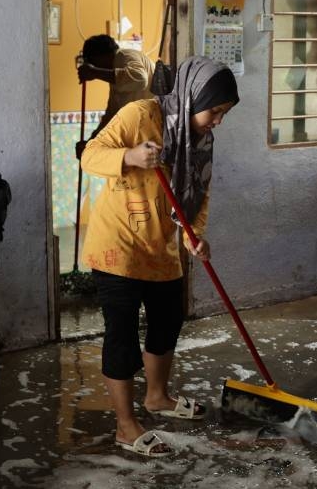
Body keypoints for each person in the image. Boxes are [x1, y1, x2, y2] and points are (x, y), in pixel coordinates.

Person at [80, 56, 239, 457]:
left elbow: (199, 195)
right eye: (215, 110)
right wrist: (129, 157)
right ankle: (125, 425)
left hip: (162, 246)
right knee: (122, 334)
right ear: (193, 96)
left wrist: (194, 237)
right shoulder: (140, 115)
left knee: (168, 321)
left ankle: (157, 398)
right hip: (118, 246)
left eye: (224, 113)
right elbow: (90, 155)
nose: (218, 121)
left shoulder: (202, 139)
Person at [75, 34, 156, 159]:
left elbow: (140, 79)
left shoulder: (124, 55)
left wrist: (94, 72)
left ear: (101, 56)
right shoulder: (116, 78)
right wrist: (91, 142)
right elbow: (112, 115)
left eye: (93, 61)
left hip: (158, 128)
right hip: (146, 132)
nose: (94, 65)